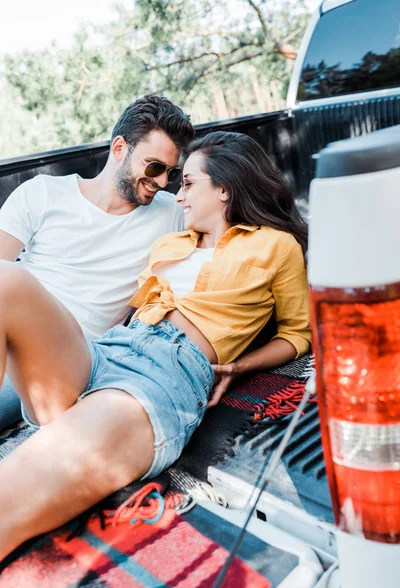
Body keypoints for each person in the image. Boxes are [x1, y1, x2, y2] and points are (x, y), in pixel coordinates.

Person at [0, 131, 310, 561]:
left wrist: (240, 367)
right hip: (108, 352)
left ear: (224, 188)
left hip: (163, 375)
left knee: (9, 497)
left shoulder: (276, 247)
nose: (174, 193)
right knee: (6, 280)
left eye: (186, 182)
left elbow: (299, 334)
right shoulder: (169, 243)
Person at [0, 94, 194, 428]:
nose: (163, 181)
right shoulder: (43, 193)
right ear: (120, 148)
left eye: (171, 173)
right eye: (155, 167)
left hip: (70, 366)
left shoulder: (172, 213)